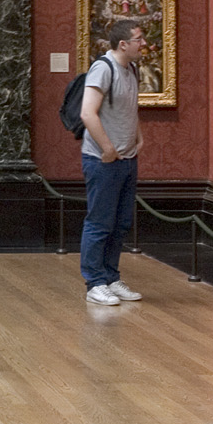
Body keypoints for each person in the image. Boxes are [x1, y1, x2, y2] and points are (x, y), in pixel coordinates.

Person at [80, 19, 146, 306]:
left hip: (127, 158)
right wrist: (107, 148)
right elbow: (87, 112)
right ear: (123, 44)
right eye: (139, 39)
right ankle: (95, 283)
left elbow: (129, 108)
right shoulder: (103, 68)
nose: (143, 44)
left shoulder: (132, 69)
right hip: (103, 160)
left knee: (120, 223)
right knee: (100, 223)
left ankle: (110, 277)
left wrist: (138, 137)